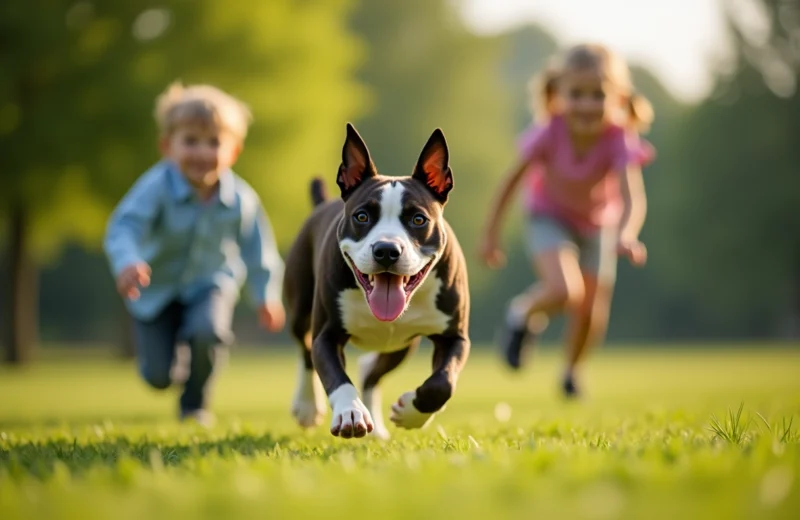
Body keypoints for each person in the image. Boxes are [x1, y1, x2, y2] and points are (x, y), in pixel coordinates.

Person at [479, 43, 656, 398]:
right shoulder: (550, 131)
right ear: (558, 94)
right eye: (577, 94)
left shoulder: (619, 136)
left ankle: (572, 372)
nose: (587, 104)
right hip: (549, 216)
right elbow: (510, 182)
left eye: (597, 95)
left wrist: (627, 234)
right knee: (565, 291)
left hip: (598, 225)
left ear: (618, 98)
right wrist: (491, 234)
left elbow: (631, 195)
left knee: (591, 310)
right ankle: (522, 313)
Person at [104, 82, 286, 425]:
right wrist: (127, 261)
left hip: (211, 284)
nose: (202, 152)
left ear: (233, 152)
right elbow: (123, 227)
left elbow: (259, 249)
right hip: (155, 289)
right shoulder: (155, 187)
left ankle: (195, 405)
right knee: (157, 377)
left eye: (214, 143)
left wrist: (266, 296)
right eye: (190, 141)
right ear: (167, 147)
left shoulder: (241, 199)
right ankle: (171, 369)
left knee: (209, 331)